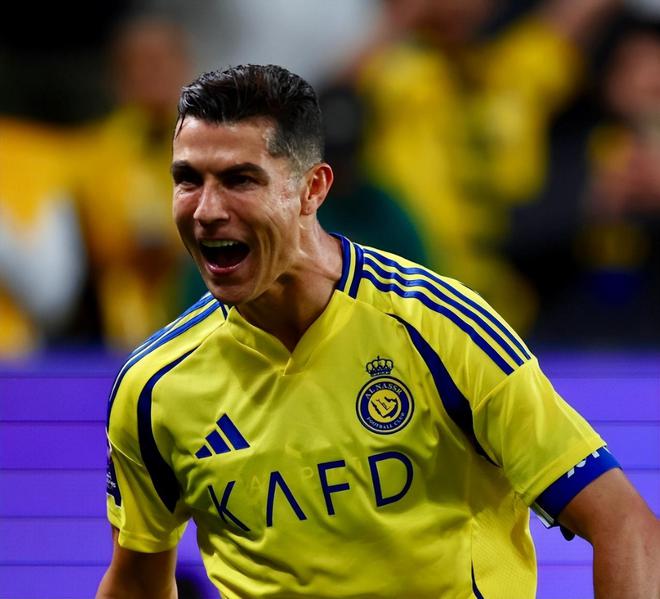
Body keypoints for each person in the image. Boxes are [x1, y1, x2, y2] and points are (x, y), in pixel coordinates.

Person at [97, 64, 659, 598]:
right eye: (187, 180)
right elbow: (137, 583)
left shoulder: (441, 330)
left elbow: (624, 524)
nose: (205, 211)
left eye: (240, 180)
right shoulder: (154, 388)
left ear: (312, 190)